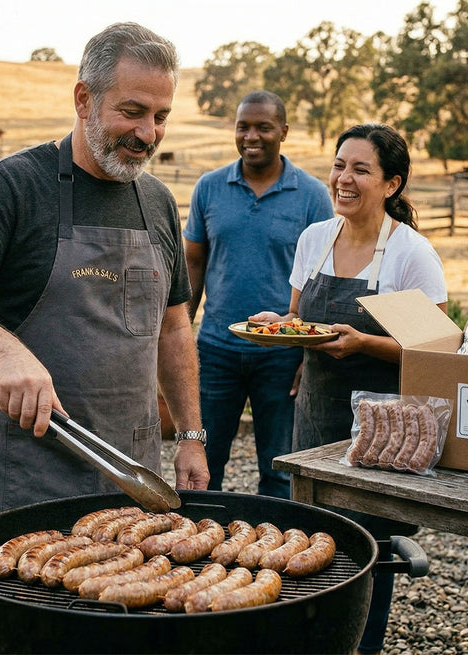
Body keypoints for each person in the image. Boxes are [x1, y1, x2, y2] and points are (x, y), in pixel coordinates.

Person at [0, 22, 209, 526]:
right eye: (132, 112)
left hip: (132, 473)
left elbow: (174, 327)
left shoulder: (157, 201)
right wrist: (3, 351)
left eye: (161, 117)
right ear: (83, 99)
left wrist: (190, 436)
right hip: (28, 470)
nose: (147, 134)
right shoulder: (13, 186)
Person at [251, 123, 447, 654]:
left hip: (379, 427)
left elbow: (435, 351)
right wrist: (278, 322)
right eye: (339, 165)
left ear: (392, 184)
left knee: (368, 546)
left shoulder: (411, 254)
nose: (344, 178)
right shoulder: (315, 238)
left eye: (361, 169)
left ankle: (363, 645)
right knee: (312, 537)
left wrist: (364, 344)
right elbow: (299, 318)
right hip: (315, 416)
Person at [183, 91, 333, 498]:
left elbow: (325, 281)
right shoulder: (209, 188)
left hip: (283, 353)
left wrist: (310, 352)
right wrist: (181, 334)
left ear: (283, 131)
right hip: (216, 350)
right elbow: (192, 266)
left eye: (263, 127)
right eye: (243, 126)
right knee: (205, 461)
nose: (252, 136)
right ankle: (202, 541)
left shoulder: (313, 196)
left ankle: (273, 554)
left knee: (280, 467)